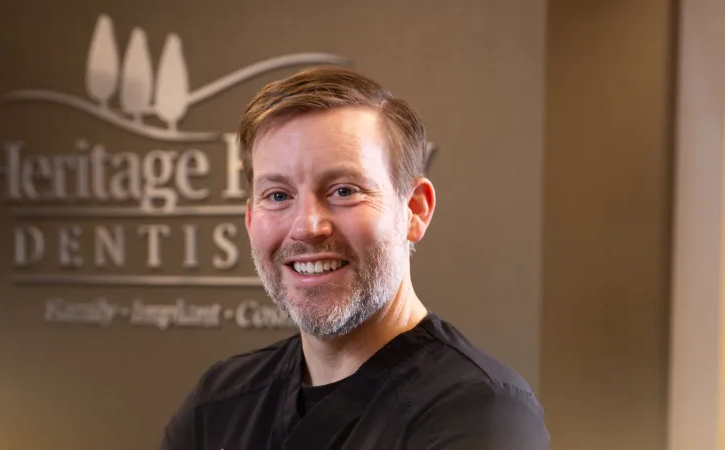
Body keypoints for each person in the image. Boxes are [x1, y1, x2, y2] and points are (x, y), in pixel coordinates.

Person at [160, 67, 550, 450]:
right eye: (277, 196)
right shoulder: (220, 403)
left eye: (344, 191)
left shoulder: (481, 415)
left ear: (415, 210)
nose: (308, 226)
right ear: (249, 219)